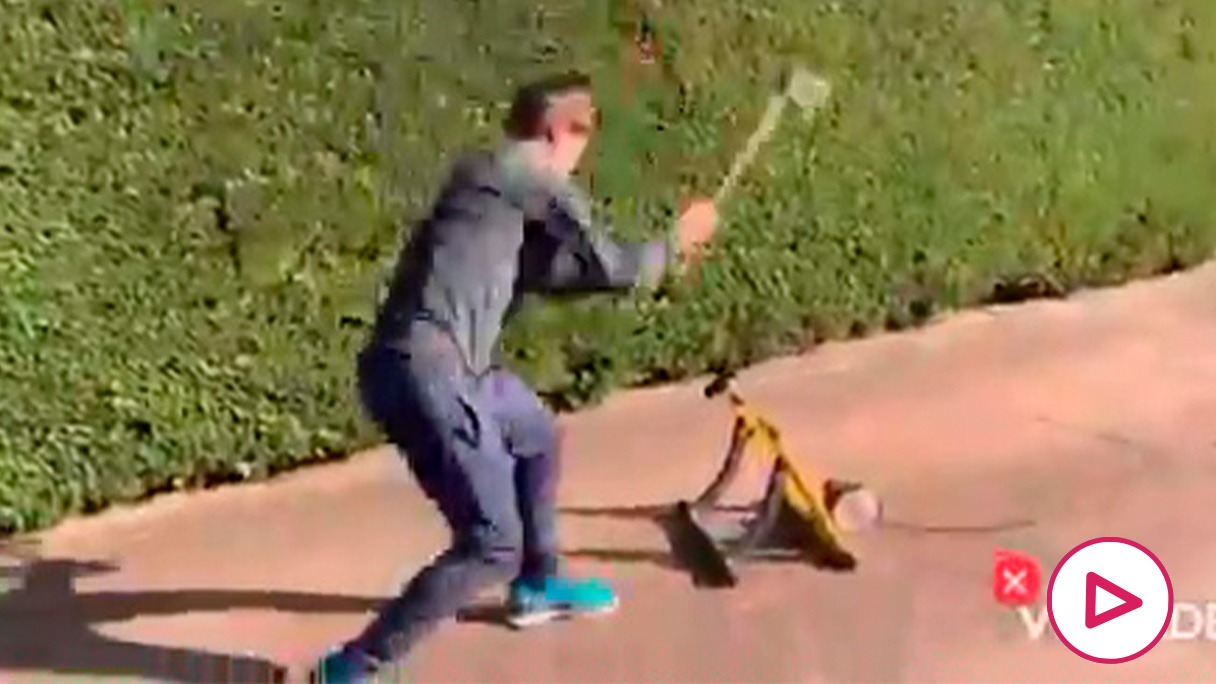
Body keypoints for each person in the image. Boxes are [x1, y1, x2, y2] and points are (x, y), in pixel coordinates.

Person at [311, 71, 717, 683]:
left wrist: (655, 263)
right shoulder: (532, 174)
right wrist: (672, 246)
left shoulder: (489, 186)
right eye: (585, 136)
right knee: (490, 540)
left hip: (443, 368)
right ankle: (353, 668)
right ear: (561, 130)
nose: (583, 155)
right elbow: (607, 263)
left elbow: (558, 273)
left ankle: (539, 582)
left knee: (535, 435)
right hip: (432, 373)